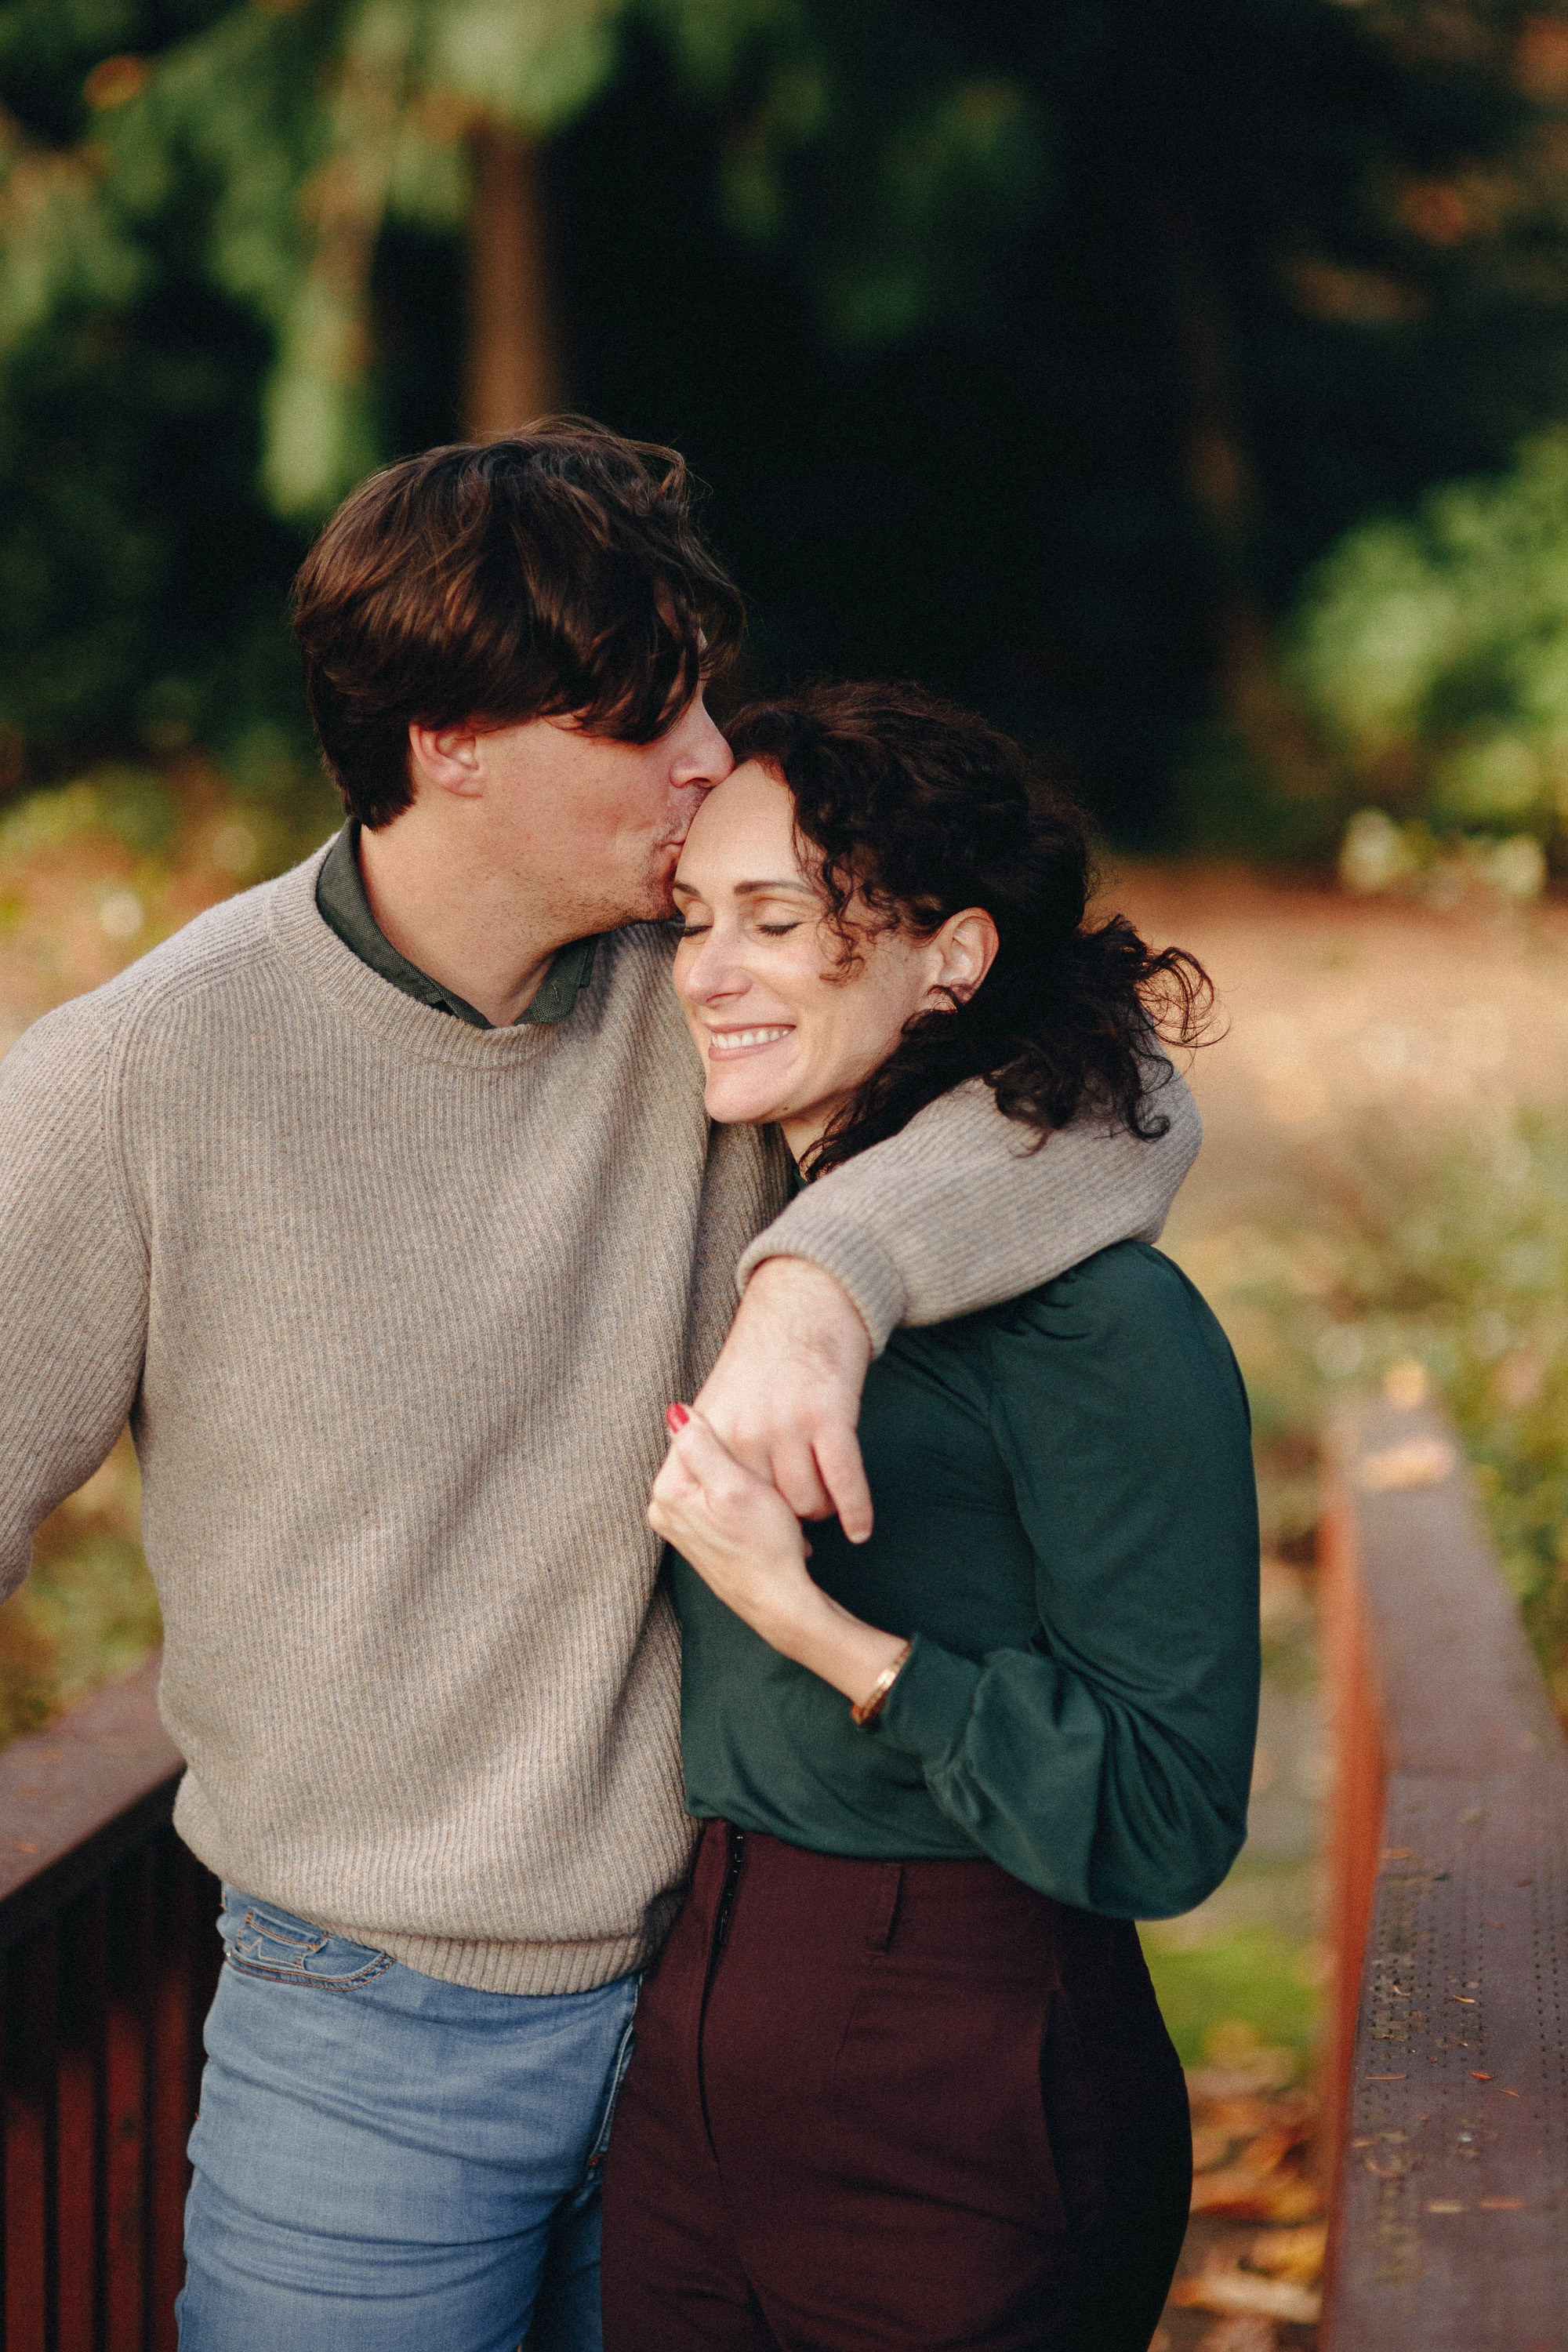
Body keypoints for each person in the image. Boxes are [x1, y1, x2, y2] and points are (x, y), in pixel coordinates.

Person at [0, 426, 1201, 2352]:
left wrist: (827, 1274)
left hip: (734, 2014)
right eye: (648, 717)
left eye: (705, 697)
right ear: (446, 740)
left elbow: (1115, 1100)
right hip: (361, 2043)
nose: (711, 757)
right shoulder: (138, 1076)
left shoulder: (718, 987)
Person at [601, 683, 1260, 2352]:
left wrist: (817, 1626)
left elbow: (1170, 1815)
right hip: (695, 2048)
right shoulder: (754, 1215)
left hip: (965, 2070)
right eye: (693, 922)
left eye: (776, 920)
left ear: (952, 955)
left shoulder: (1107, 1328)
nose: (710, 972)